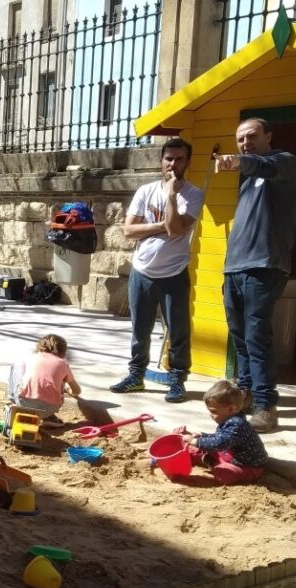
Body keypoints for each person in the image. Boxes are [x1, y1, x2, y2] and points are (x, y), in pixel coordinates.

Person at [213, 118, 296, 432]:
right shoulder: (248, 180)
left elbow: (258, 165)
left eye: (251, 136)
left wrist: (238, 160)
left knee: (257, 337)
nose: (245, 142)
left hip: (265, 265)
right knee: (240, 339)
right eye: (240, 139)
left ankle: (266, 404)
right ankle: (247, 393)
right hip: (235, 267)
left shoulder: (284, 163)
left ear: (268, 134)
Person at [109, 138, 204, 403]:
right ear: (161, 160)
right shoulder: (145, 191)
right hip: (142, 271)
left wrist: (172, 196)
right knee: (140, 328)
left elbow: (177, 230)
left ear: (188, 162)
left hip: (174, 273)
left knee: (178, 329)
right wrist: (164, 224)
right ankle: (136, 375)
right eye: (168, 158)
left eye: (179, 159)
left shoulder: (193, 194)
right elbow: (129, 231)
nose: (173, 164)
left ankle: (177, 379)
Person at [178, 380, 267, 486]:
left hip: (246, 466)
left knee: (224, 474)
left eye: (213, 411)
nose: (210, 415)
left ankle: (212, 462)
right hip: (229, 455)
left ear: (230, 408)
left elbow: (220, 443)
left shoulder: (237, 424)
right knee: (195, 448)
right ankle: (208, 459)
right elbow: (220, 437)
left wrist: (194, 441)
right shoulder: (229, 420)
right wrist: (200, 435)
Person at [7, 334, 81, 428]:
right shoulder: (64, 364)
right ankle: (49, 418)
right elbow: (77, 391)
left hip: (24, 404)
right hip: (50, 408)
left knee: (18, 366)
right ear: (63, 351)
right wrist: (69, 391)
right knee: (58, 376)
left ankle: (13, 400)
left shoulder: (32, 358)